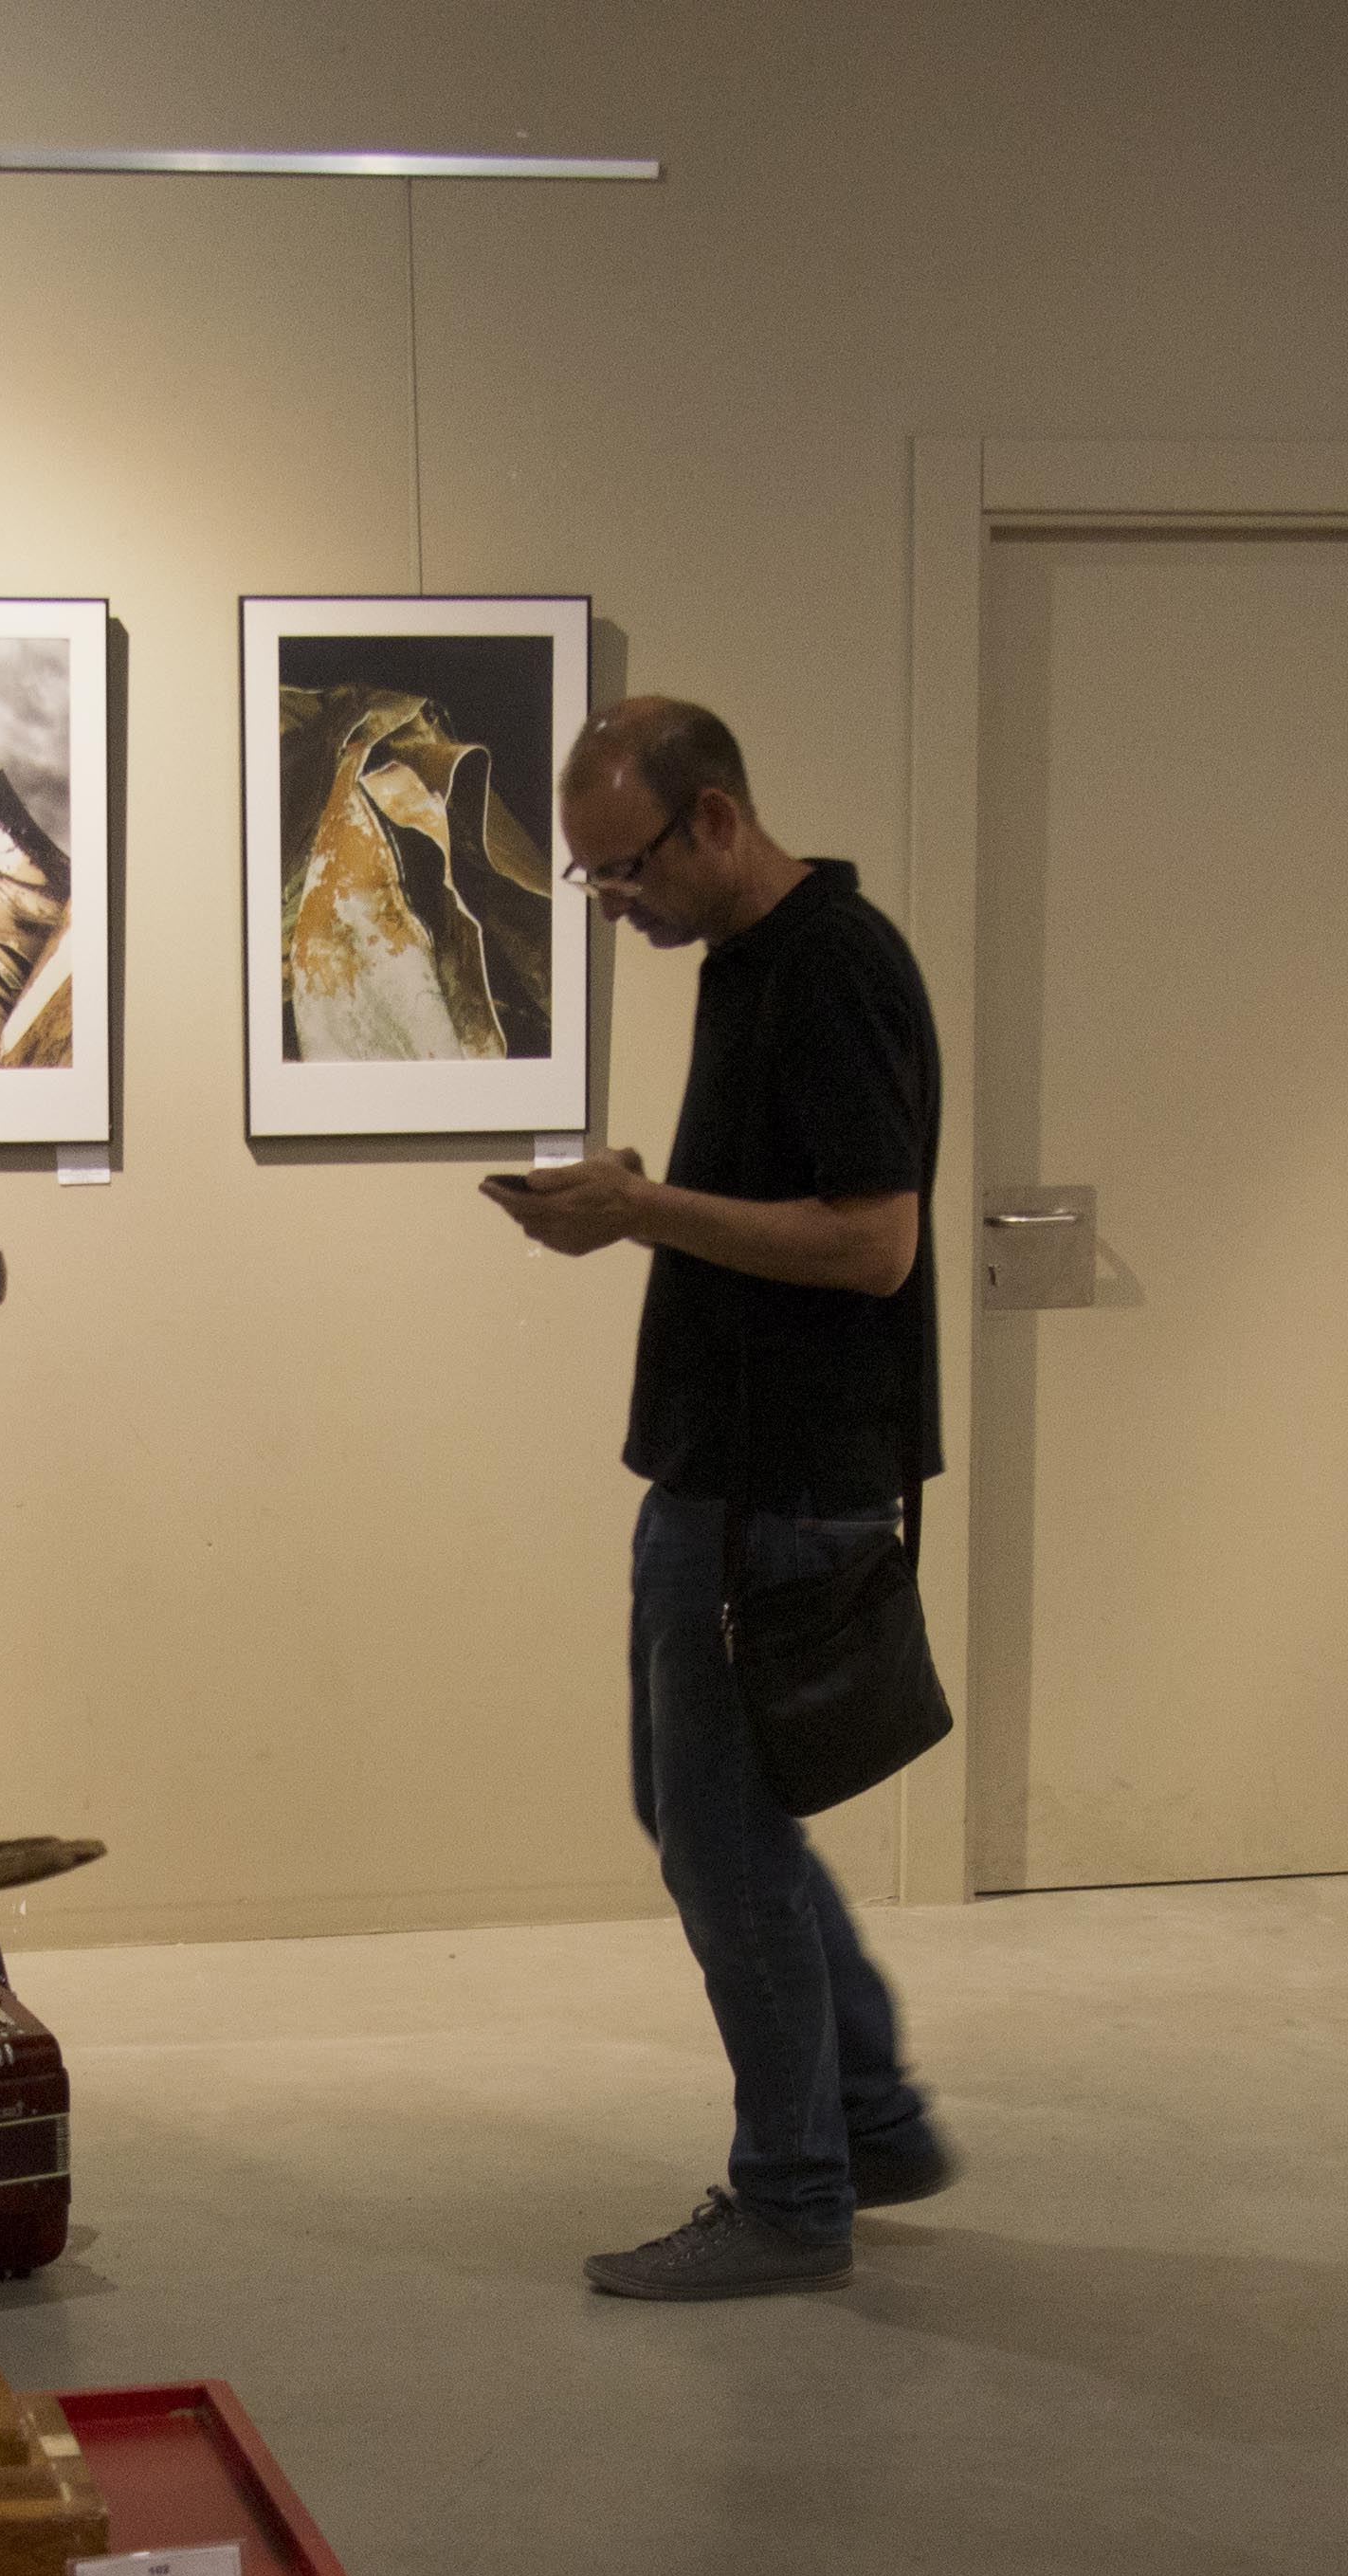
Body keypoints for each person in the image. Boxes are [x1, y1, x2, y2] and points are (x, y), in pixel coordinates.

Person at [483, 697, 956, 2301]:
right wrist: (644, 1198)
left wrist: (643, 1212)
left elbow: (875, 1242)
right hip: (729, 1469)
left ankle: (794, 2196)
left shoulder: (830, 968)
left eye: (627, 873)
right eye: (594, 881)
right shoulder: (756, 964)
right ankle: (869, 2117)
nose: (618, 907)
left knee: (724, 1846)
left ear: (717, 820)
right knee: (703, 1821)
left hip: (778, 1487)